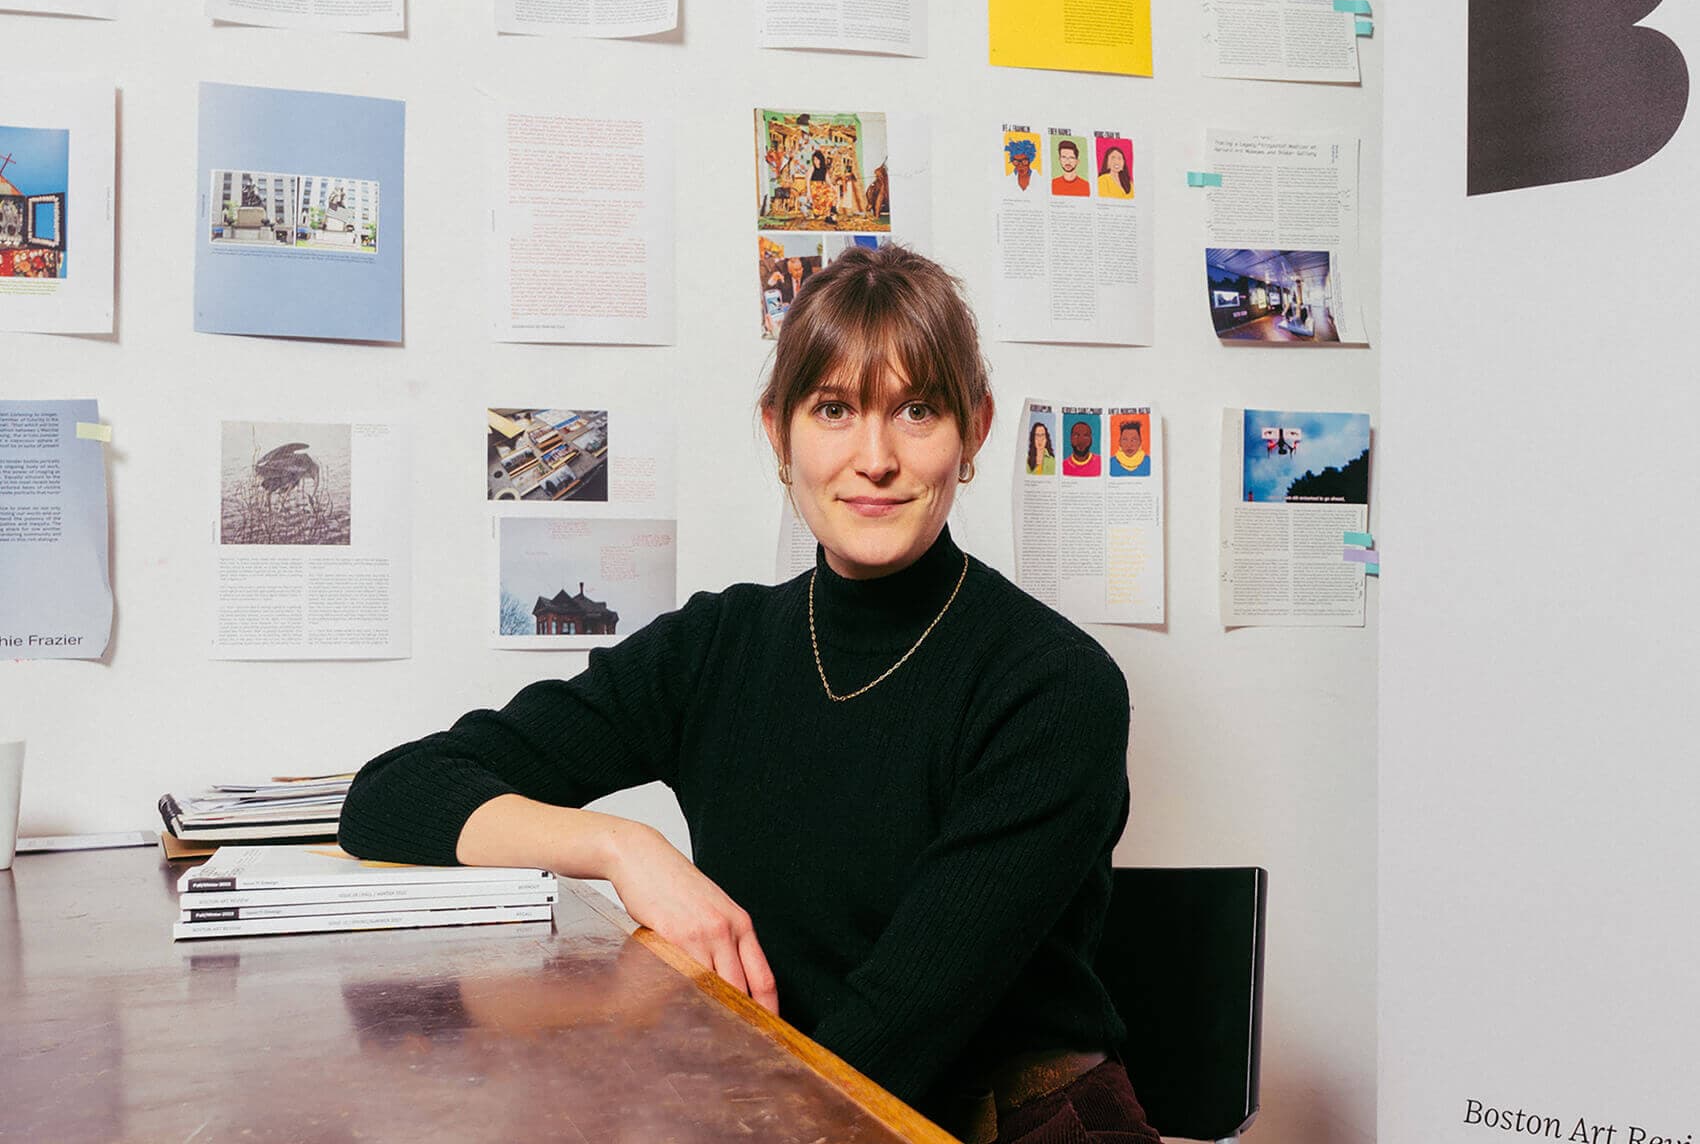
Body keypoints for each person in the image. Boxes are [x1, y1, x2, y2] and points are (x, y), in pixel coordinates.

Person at [339, 243, 1160, 1144]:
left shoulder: (1056, 686)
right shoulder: (716, 647)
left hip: (1006, 1126)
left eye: (916, 411)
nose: (874, 458)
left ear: (975, 428)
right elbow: (391, 797)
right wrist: (623, 847)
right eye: (835, 410)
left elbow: (895, 1031)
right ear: (778, 432)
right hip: (782, 1095)